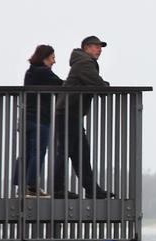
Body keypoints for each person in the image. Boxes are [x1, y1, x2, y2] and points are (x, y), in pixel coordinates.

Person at [54, 35, 112, 199]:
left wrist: (102, 85)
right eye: (95, 46)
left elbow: (96, 83)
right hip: (68, 113)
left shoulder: (84, 62)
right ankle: (58, 189)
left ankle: (92, 189)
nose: (99, 50)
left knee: (81, 153)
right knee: (65, 152)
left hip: (70, 113)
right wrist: (104, 86)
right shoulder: (85, 63)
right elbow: (98, 85)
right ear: (86, 47)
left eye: (100, 47)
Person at [20, 45, 63, 197]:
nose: (54, 61)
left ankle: (21, 184)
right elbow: (62, 86)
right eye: (52, 58)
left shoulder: (30, 72)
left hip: (27, 117)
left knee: (27, 151)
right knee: (38, 151)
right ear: (45, 57)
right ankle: (32, 187)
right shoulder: (44, 72)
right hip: (40, 118)